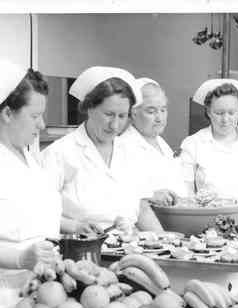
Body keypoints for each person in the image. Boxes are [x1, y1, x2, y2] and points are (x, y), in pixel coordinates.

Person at [41, 66, 163, 234]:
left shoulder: (132, 152)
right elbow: (40, 214)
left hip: (129, 247)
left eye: (122, 116)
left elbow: (142, 209)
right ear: (90, 108)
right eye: (109, 114)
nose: (115, 125)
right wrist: (75, 227)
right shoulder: (59, 153)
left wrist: (164, 240)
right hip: (81, 250)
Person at [0, 60, 58, 271]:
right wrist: (20, 257)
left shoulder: (29, 157)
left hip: (40, 288)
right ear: (7, 114)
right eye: (34, 116)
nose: (41, 125)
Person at [121, 77, 186, 206]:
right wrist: (151, 195)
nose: (159, 118)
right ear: (134, 113)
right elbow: (120, 192)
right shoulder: (123, 146)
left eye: (163, 110)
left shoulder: (161, 142)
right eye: (151, 111)